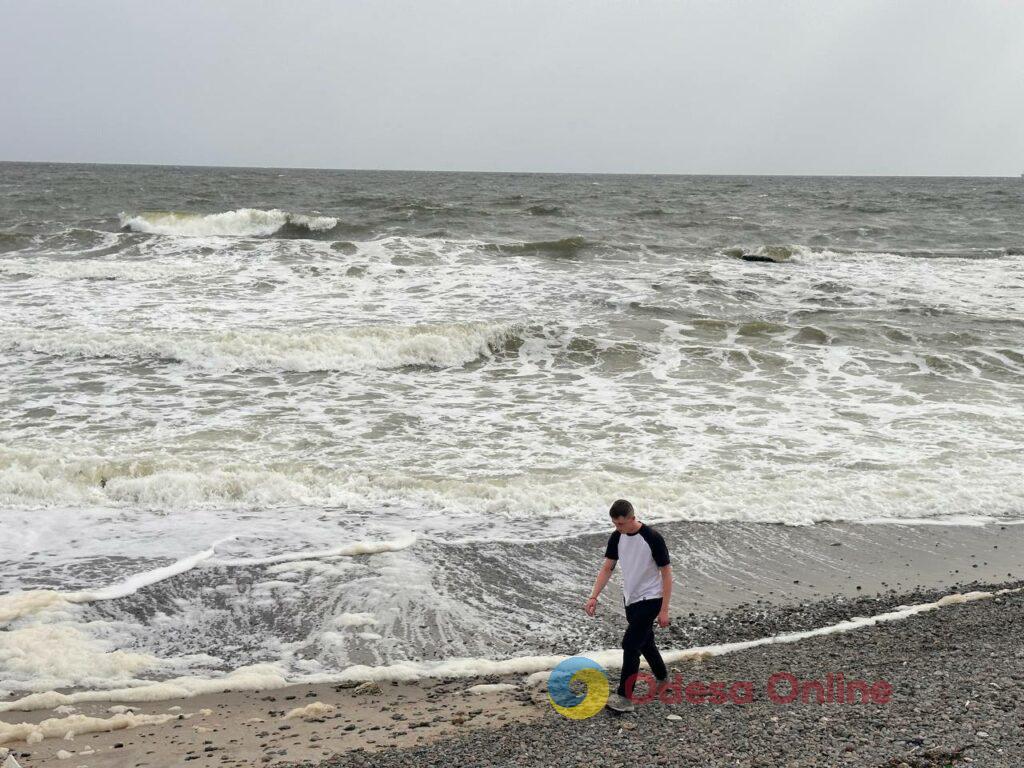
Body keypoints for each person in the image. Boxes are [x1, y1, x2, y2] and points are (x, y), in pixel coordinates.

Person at [583, 499, 672, 713]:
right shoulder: (617, 537)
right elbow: (607, 568)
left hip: (651, 598)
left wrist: (664, 609)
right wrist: (593, 596)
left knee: (630, 645)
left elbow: (667, 574)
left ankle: (625, 698)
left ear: (632, 518)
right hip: (630, 599)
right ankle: (663, 678)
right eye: (615, 524)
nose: (618, 528)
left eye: (621, 524)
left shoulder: (652, 538)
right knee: (645, 641)